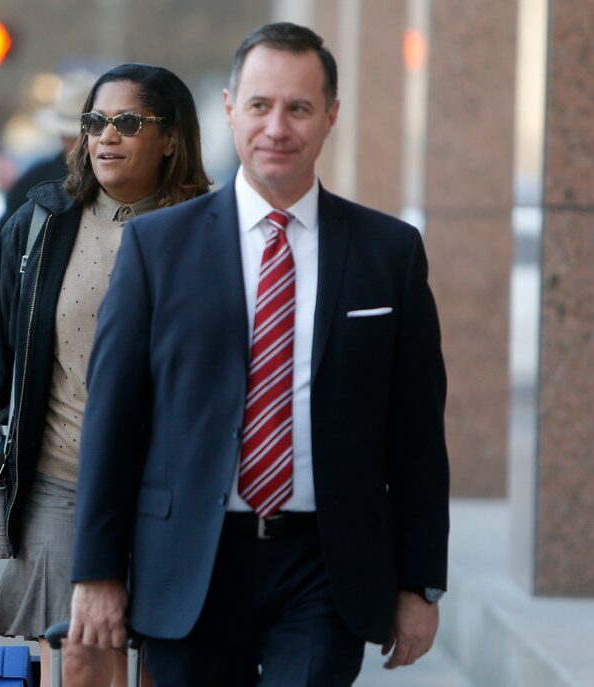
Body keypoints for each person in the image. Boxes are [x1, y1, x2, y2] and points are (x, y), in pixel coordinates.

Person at [68, 22, 450, 686]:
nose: (278, 126)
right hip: (190, 557)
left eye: (298, 107)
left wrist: (421, 583)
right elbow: (113, 418)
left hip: (326, 564)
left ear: (330, 116)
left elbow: (416, 432)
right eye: (260, 105)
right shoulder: (159, 249)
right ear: (228, 109)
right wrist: (96, 570)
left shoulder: (389, 254)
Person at [0, 63, 210, 687]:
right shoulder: (42, 226)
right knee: (79, 657)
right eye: (95, 122)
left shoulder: (210, 235)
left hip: (174, 493)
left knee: (169, 663)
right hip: (59, 481)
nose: (107, 136)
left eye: (128, 122)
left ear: (170, 138)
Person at [0, 70, 96, 256]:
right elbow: (0, 243)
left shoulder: (115, 180)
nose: (77, 143)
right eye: (70, 136)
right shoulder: (36, 181)